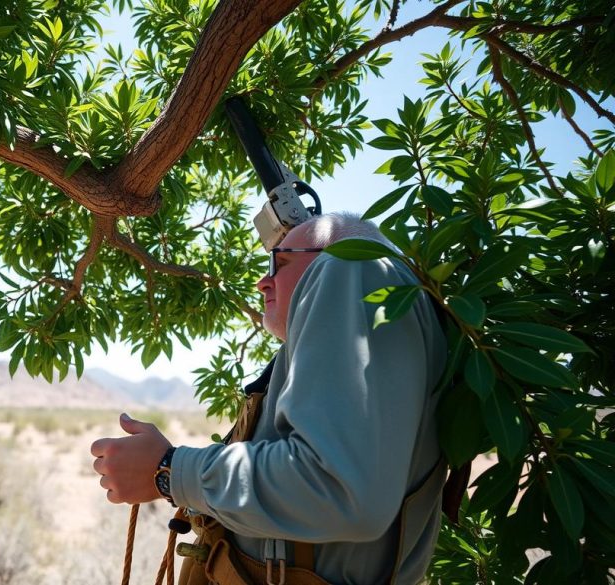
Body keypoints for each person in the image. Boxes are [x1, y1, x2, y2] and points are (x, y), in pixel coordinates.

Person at [90, 212, 448, 585]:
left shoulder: (351, 266)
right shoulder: (386, 313)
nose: (263, 281)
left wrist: (168, 471)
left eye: (281, 260)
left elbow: (336, 488)